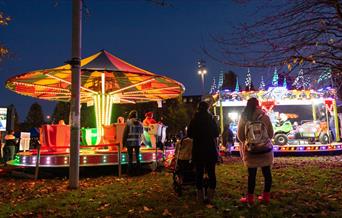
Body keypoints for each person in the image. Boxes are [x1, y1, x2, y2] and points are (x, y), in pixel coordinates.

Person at [237, 97, 274, 204]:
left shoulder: (244, 117)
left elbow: (240, 136)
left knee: (251, 175)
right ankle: (266, 196)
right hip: (265, 150)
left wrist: (248, 141)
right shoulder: (265, 116)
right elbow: (271, 134)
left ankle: (250, 198)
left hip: (251, 150)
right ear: (258, 104)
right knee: (267, 174)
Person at [187, 101, 219, 204]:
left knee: (199, 173)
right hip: (210, 149)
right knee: (211, 173)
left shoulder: (194, 120)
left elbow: (189, 134)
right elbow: (216, 133)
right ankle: (210, 195)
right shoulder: (211, 119)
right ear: (207, 108)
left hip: (198, 149)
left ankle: (200, 195)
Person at [122, 110, 143, 175]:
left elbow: (125, 134)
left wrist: (123, 143)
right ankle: (139, 171)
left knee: (130, 158)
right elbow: (142, 132)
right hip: (137, 142)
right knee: (137, 157)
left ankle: (129, 172)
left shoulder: (128, 123)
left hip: (129, 142)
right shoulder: (140, 123)